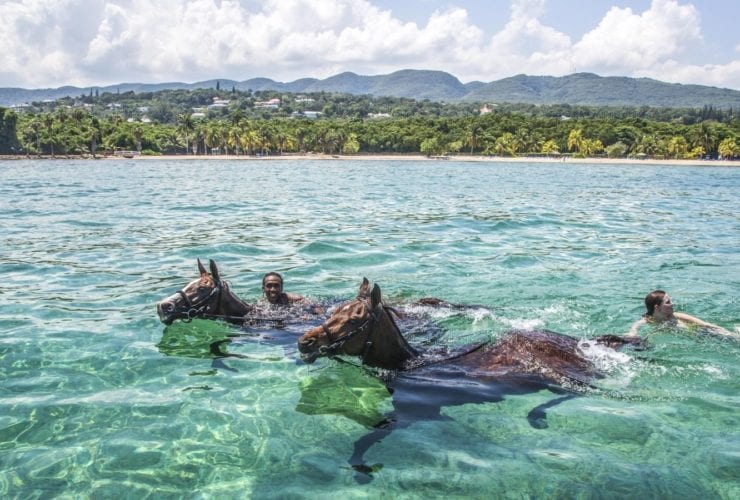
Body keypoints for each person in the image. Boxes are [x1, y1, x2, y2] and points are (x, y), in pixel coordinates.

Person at [628, 290, 733, 337]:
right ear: (657, 307)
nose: (672, 304)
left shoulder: (677, 316)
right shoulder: (648, 320)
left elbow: (705, 325)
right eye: (668, 302)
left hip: (704, 334)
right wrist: (633, 333)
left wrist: (727, 333)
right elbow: (635, 328)